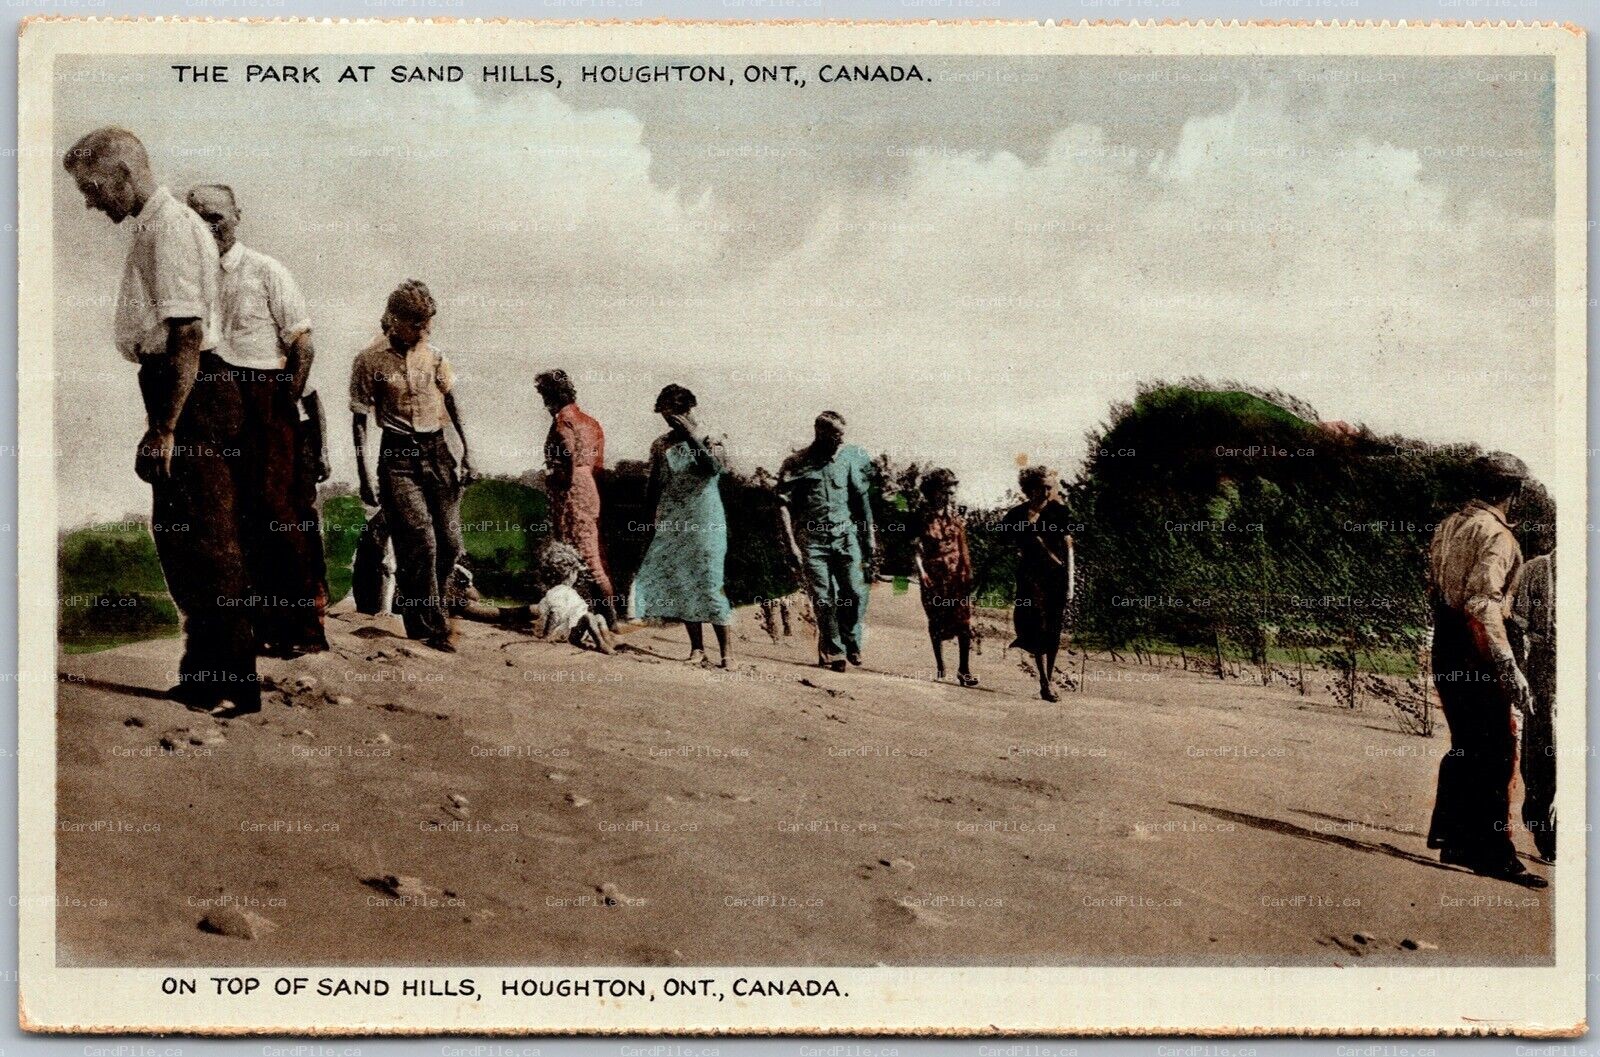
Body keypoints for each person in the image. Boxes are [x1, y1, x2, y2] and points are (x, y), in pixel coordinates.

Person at [63, 128, 259, 714]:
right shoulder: (156, 226)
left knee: (207, 539)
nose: (91, 202)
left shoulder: (171, 226)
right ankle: (205, 673)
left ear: (124, 174)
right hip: (180, 389)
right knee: (179, 537)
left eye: (94, 188)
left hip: (192, 391)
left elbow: (188, 334)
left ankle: (234, 683)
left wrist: (165, 427)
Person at [187, 184, 329, 657]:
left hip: (265, 398)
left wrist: (282, 402)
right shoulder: (188, 278)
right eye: (198, 218)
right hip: (210, 397)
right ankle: (253, 630)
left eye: (216, 217)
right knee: (230, 517)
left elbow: (302, 345)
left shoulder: (267, 271)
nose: (209, 227)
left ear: (237, 217)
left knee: (278, 513)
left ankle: (301, 630)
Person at [1425, 453, 1545, 887]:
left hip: (1446, 640)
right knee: (1496, 749)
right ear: (1512, 492)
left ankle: (1455, 840)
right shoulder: (1498, 536)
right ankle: (1492, 852)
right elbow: (1482, 605)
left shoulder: (1448, 525)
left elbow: (1436, 590)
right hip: (1477, 645)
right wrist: (1508, 665)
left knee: (1466, 743)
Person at [349, 280, 476, 651]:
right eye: (417, 323)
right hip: (397, 458)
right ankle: (430, 628)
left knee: (450, 544)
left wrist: (468, 451)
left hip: (438, 452)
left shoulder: (435, 356)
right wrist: (362, 475)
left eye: (428, 323)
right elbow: (359, 421)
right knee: (420, 540)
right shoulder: (368, 361)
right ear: (394, 320)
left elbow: (452, 402)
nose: (426, 330)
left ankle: (415, 598)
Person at [630, 384, 733, 668]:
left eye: (673, 415)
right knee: (684, 582)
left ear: (688, 410)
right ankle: (697, 648)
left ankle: (726, 652)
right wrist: (649, 521)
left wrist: (690, 436)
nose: (669, 422)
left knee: (711, 581)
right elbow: (654, 485)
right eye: (665, 417)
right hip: (674, 520)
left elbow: (714, 468)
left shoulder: (712, 436)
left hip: (706, 518)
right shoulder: (661, 444)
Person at [776, 411, 877, 672]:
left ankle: (850, 639)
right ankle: (836, 652)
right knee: (823, 598)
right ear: (819, 433)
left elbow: (861, 503)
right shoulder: (796, 463)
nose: (840, 441)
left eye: (842, 436)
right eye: (835, 436)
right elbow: (782, 506)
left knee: (854, 593)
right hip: (812, 541)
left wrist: (870, 538)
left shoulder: (846, 462)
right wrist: (790, 544)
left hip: (845, 537)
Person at [536, 369, 617, 624]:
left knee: (578, 554)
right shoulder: (589, 421)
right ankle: (602, 618)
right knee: (589, 554)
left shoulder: (563, 420)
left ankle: (604, 619)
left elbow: (568, 453)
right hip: (588, 483)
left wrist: (563, 480)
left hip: (571, 487)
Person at [1001, 465, 1073, 702]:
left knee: (1052, 630)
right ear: (1028, 488)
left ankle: (1048, 680)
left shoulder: (1059, 513)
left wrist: (1071, 581)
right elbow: (1004, 545)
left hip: (1056, 578)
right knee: (1035, 626)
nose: (1045, 492)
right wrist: (1016, 553)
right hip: (1029, 580)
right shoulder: (1015, 515)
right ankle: (1044, 680)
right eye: (1040, 487)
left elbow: (1069, 549)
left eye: (1049, 488)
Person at [1511, 548, 1556, 863]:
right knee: (1544, 746)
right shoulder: (1536, 570)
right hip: (1545, 666)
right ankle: (1543, 821)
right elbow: (1517, 624)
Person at [914, 469, 978, 687]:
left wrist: (967, 571)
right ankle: (941, 666)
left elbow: (963, 545)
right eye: (945, 492)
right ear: (934, 492)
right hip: (933, 575)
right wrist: (921, 573)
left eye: (952, 492)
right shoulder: (921, 516)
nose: (950, 496)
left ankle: (964, 669)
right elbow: (915, 549)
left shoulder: (956, 516)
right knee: (936, 620)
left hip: (956, 575)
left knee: (963, 620)